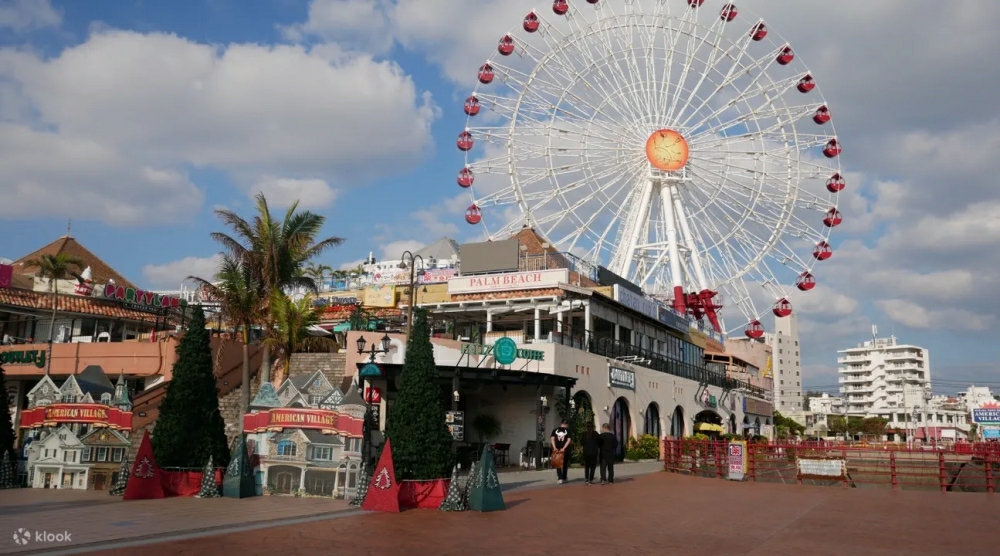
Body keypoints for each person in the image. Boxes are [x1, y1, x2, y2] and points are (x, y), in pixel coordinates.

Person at [550, 419, 572, 484]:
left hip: (557, 449)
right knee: (565, 463)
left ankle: (560, 478)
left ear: (561, 423)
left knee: (558, 463)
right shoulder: (568, 431)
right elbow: (569, 440)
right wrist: (564, 448)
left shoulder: (555, 430)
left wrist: (554, 447)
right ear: (566, 424)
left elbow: (552, 439)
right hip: (565, 450)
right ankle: (564, 477)